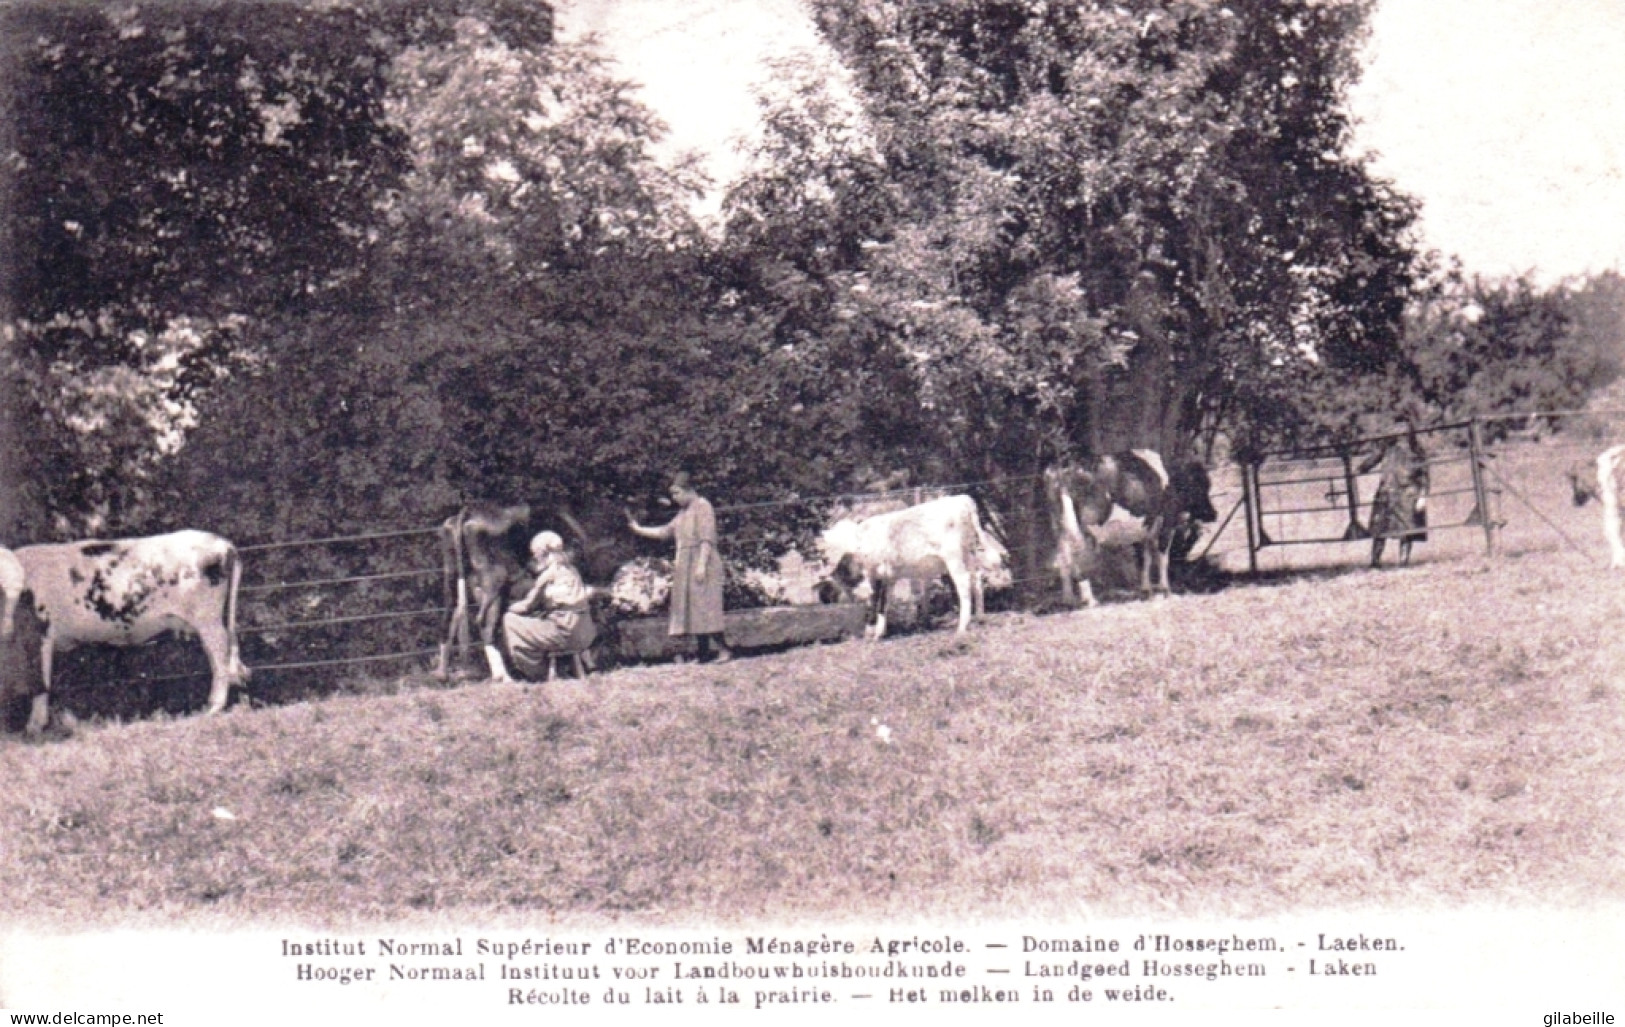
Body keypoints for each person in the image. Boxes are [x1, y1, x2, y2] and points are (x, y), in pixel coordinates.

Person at [627, 472, 732, 662]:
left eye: (677, 493)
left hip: (702, 561)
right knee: (693, 608)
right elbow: (664, 531)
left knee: (706, 606)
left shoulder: (702, 506)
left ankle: (724, 649)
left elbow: (706, 538)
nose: (674, 498)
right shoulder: (683, 513)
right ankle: (703, 654)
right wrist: (638, 529)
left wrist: (701, 565)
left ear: (689, 490)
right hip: (686, 563)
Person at [502, 531, 597, 680]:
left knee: (510, 621)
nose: (535, 558)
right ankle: (571, 665)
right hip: (585, 632)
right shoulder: (572, 570)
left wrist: (509, 608)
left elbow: (527, 605)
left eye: (536, 555)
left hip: (566, 633)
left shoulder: (547, 576)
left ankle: (537, 671)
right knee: (548, 621)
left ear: (543, 554)